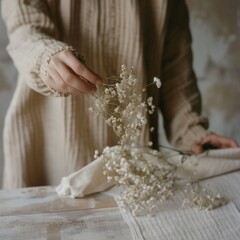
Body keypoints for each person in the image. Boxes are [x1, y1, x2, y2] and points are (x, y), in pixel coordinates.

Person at [1, 0, 238, 189]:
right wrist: (46, 57)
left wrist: (190, 131)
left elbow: (175, 71)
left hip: (133, 154)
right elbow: (23, 31)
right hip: (46, 143)